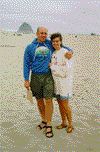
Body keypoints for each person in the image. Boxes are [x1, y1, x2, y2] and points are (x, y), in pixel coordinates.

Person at [23, 27, 73, 138]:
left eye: (45, 33)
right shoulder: (30, 47)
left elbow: (63, 46)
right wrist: (26, 79)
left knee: (49, 100)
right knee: (39, 101)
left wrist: (71, 51)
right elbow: (26, 64)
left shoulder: (50, 44)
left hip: (48, 76)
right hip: (35, 76)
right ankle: (44, 120)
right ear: (37, 34)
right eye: (41, 33)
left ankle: (49, 124)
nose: (43, 35)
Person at [50, 32, 74, 133]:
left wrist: (52, 67)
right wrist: (54, 68)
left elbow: (65, 72)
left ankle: (70, 124)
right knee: (60, 104)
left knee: (65, 104)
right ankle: (63, 122)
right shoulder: (54, 53)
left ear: (61, 41)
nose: (55, 43)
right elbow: (55, 70)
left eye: (57, 41)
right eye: (53, 41)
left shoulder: (65, 53)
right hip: (57, 84)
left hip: (65, 84)